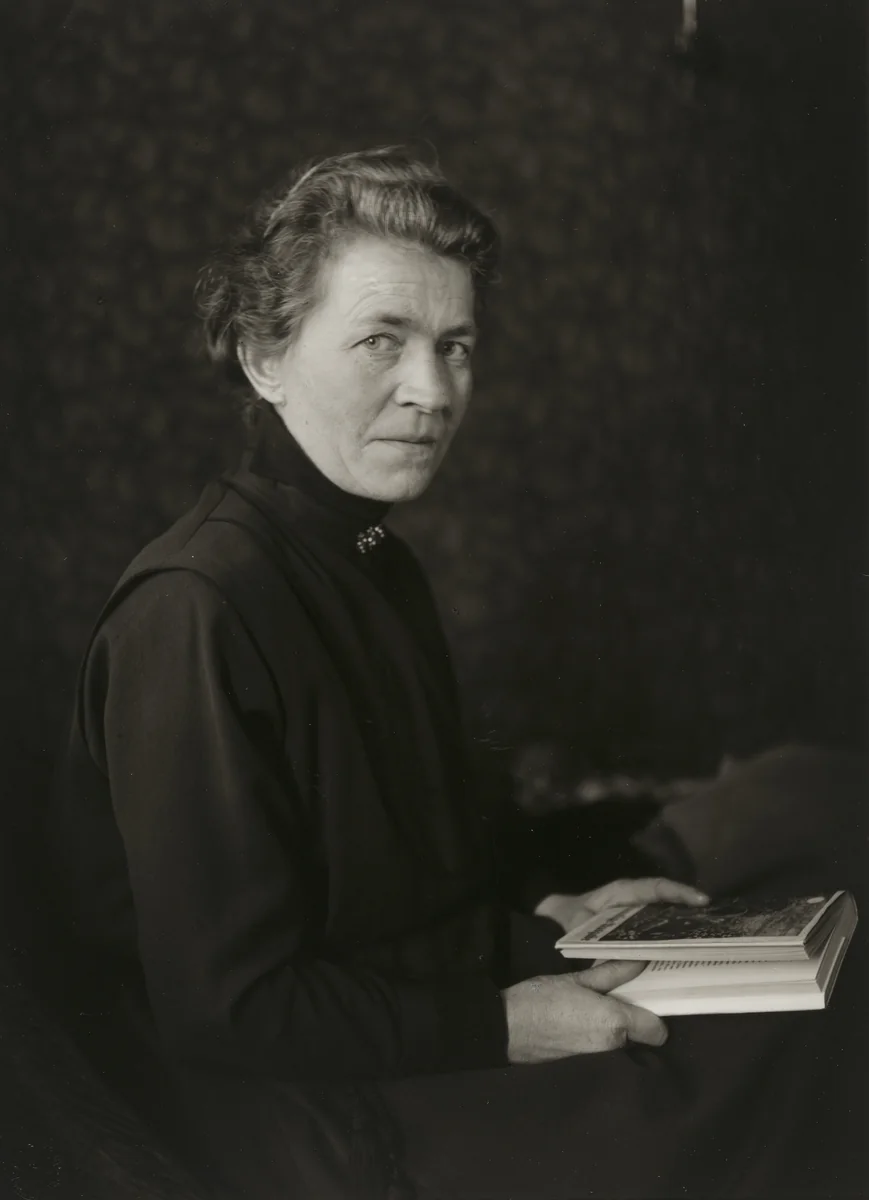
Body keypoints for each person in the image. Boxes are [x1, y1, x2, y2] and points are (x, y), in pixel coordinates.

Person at [49, 147, 866, 1200]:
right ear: (263, 355)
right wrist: (501, 1022)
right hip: (304, 1120)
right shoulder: (195, 607)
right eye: (382, 340)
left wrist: (550, 917)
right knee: (785, 1056)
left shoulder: (375, 564)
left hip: (391, 1023)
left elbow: (380, 893)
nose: (431, 391)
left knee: (815, 893)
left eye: (456, 345)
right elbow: (227, 1013)